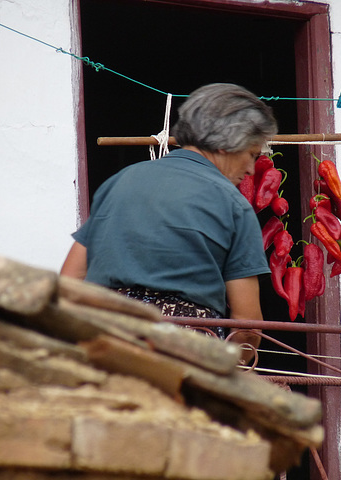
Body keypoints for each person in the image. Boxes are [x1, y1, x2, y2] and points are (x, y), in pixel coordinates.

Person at [60, 83, 277, 359]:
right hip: (184, 357)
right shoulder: (233, 204)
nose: (250, 169)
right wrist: (230, 375)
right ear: (227, 144)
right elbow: (246, 326)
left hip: (106, 346)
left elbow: (70, 280)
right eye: (252, 155)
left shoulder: (121, 181)